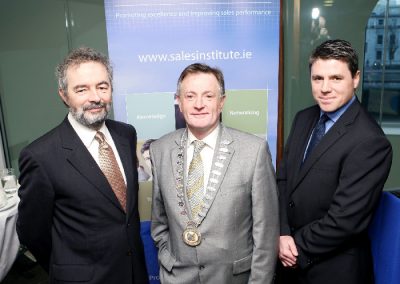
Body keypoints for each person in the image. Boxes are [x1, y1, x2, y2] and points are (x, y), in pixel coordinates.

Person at [17, 47, 148, 284]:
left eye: (102, 86)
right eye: (81, 89)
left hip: (134, 273)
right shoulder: (40, 156)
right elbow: (32, 232)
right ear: (64, 95)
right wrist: (67, 269)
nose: (95, 97)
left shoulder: (126, 135)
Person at [150, 63, 279, 283]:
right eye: (190, 96)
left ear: (222, 102)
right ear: (179, 102)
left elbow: (265, 234)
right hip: (176, 278)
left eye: (208, 96)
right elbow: (159, 220)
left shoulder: (254, 151)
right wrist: (167, 256)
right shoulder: (159, 149)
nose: (199, 104)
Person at [277, 39, 393, 284]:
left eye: (336, 78)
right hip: (288, 261)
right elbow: (283, 181)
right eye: (318, 78)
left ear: (356, 78)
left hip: (334, 270)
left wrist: (292, 246)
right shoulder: (303, 119)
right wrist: (281, 233)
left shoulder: (370, 141)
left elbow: (345, 221)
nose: (325, 88)